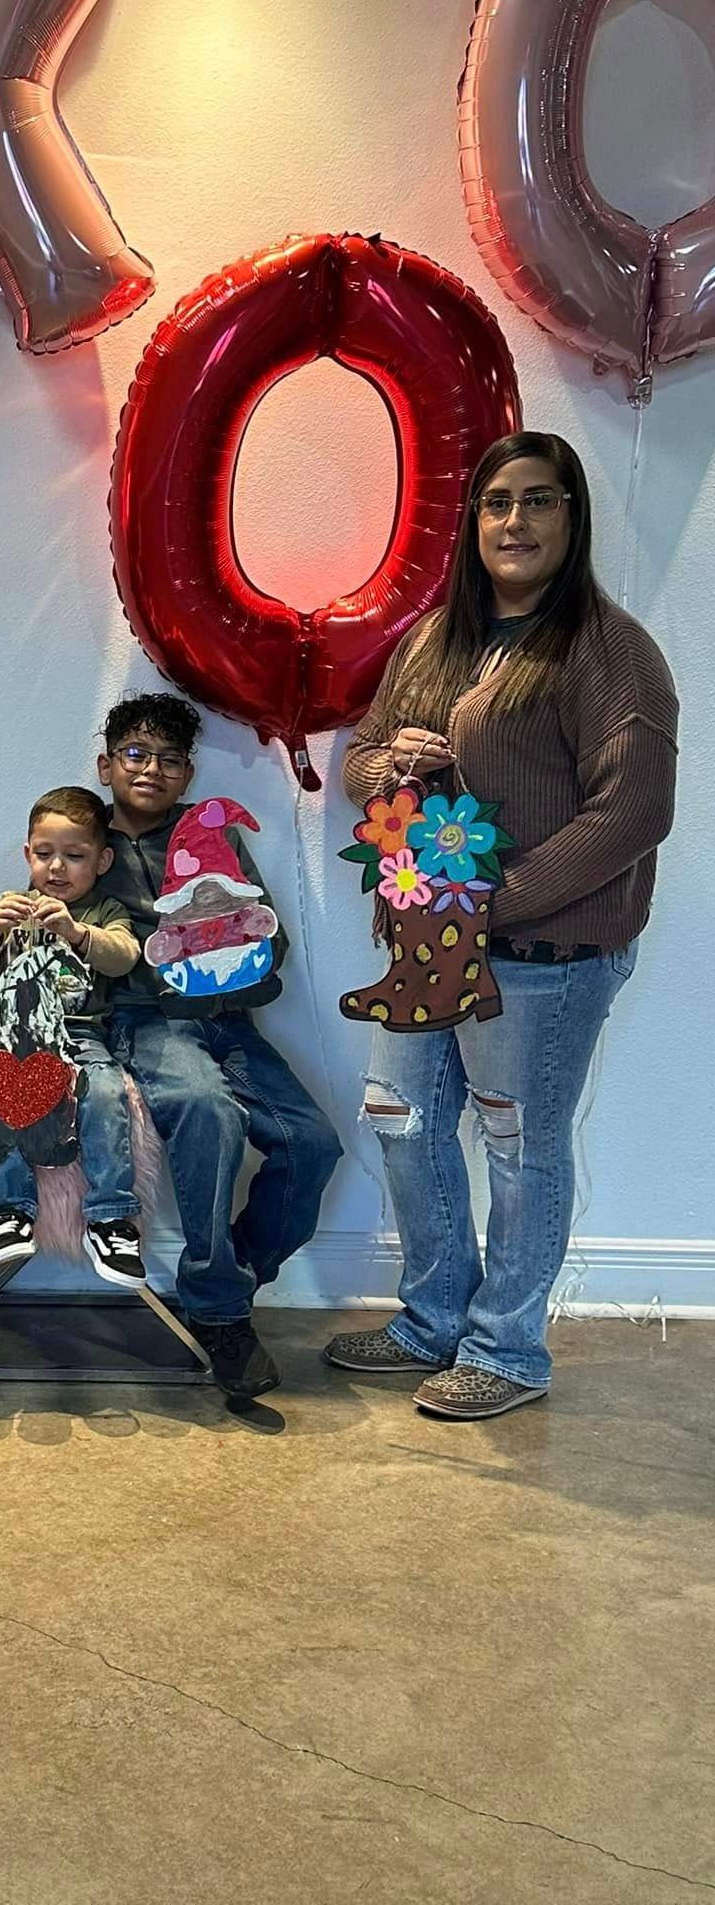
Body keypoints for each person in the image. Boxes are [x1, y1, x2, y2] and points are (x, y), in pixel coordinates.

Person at [324, 429, 678, 1418]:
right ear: (473, 522)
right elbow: (361, 760)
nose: (515, 520)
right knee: (403, 1121)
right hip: (427, 944)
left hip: (542, 957)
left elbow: (633, 813)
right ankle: (433, 1319)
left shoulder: (610, 650)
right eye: (497, 502)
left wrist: (489, 903)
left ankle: (508, 1351)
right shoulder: (436, 638)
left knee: (520, 1145)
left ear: (572, 516)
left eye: (538, 500)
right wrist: (393, 764)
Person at [98, 692, 342, 1397]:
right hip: (145, 1023)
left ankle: (221, 1281)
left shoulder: (212, 835)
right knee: (208, 1111)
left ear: (188, 773)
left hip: (229, 1020)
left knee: (312, 1144)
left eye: (170, 759)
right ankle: (222, 1315)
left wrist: (241, 963)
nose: (152, 769)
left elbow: (268, 937)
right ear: (107, 764)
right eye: (136, 754)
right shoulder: (83, 836)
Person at [0, 786, 143, 1286]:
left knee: (105, 1092)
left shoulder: (105, 912)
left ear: (102, 861)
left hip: (80, 1034)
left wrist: (77, 934)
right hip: (14, 1035)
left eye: (74, 856)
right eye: (44, 854)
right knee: (3, 1093)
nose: (56, 868)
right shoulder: (12, 905)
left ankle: (110, 1217)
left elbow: (124, 956)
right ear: (27, 855)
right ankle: (8, 1212)